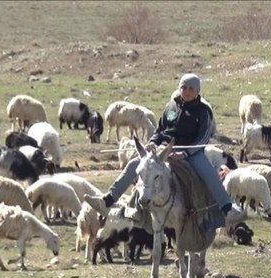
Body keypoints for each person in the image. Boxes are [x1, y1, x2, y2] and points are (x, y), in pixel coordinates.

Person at [85, 73, 239, 230]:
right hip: (163, 150)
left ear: (197, 91)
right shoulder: (170, 107)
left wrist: (185, 153)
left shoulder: (203, 111)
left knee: (208, 173)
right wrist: (152, 142)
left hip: (191, 151)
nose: (186, 91)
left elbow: (204, 138)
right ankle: (109, 200)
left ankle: (226, 209)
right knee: (136, 164)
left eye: (190, 88)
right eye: (183, 87)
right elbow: (160, 130)